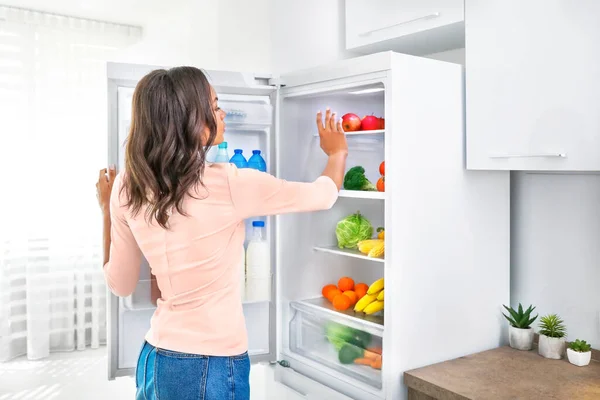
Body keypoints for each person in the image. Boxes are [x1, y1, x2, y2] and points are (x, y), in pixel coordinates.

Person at [96, 66, 348, 400]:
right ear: (193, 123)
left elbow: (121, 284)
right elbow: (323, 194)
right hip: (209, 365)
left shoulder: (126, 187)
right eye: (214, 106)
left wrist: (106, 213)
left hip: (155, 359)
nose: (222, 113)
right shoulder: (228, 183)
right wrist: (337, 153)